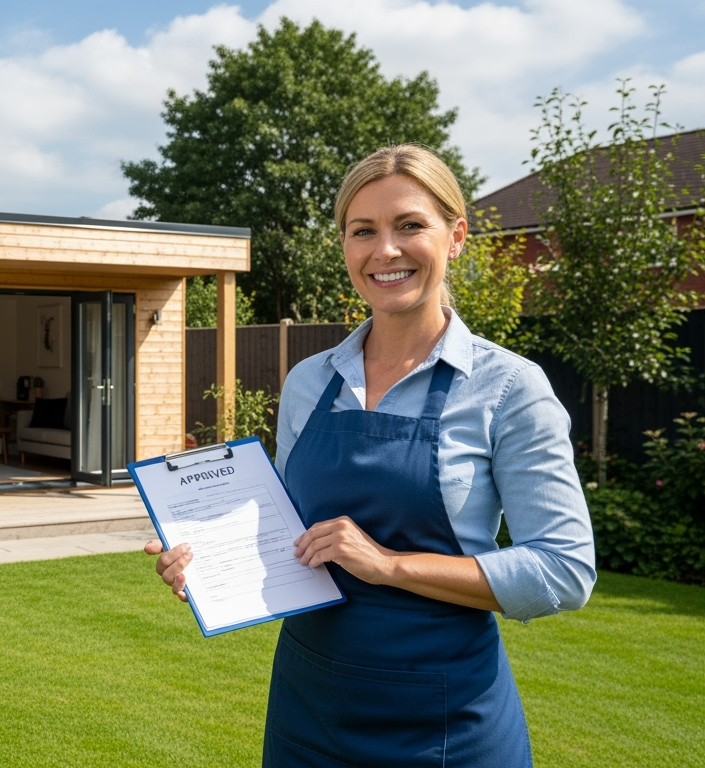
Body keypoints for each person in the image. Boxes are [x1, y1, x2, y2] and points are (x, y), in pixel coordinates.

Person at [145, 144, 596, 766]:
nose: (385, 250)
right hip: (310, 710)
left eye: (410, 225)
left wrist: (389, 566)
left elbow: (562, 573)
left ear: (456, 236)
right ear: (346, 248)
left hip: (444, 721)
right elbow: (287, 535)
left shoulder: (509, 389)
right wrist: (208, 563)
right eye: (363, 232)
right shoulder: (309, 381)